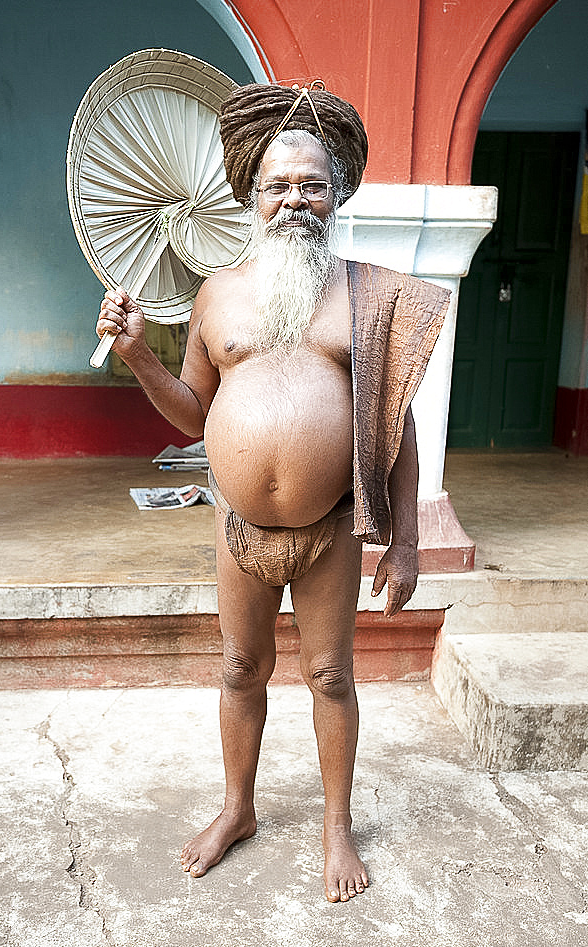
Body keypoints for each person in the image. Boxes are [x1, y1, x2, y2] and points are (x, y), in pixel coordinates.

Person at [96, 83, 449, 903]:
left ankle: (336, 827)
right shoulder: (215, 292)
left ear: (338, 193)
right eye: (278, 187)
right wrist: (142, 356)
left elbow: (394, 423)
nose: (296, 200)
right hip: (238, 527)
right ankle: (237, 809)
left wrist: (402, 540)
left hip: (329, 529)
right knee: (238, 669)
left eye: (312, 185)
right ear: (250, 195)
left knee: (328, 676)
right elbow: (191, 414)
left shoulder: (370, 297)